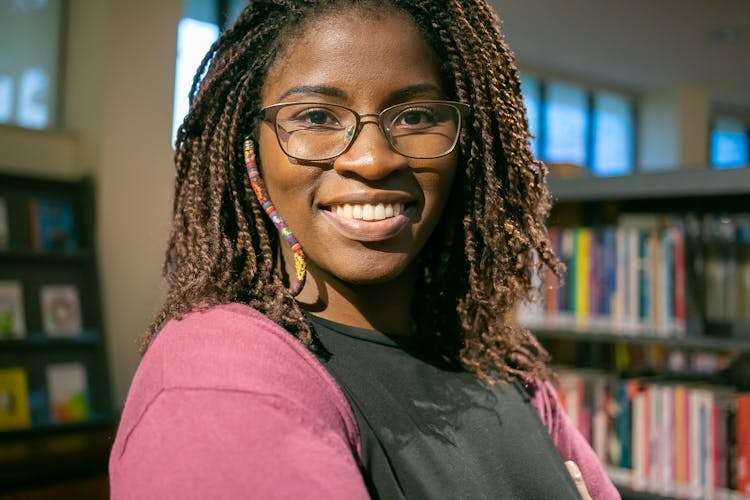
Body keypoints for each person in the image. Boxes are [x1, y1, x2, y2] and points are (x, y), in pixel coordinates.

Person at [109, 0, 620, 498]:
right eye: (315, 116)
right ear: (250, 152)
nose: (373, 159)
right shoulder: (220, 371)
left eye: (417, 116)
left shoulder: (503, 368)